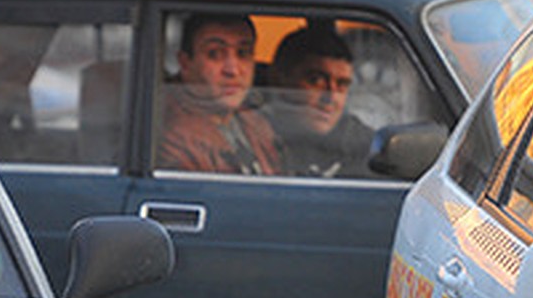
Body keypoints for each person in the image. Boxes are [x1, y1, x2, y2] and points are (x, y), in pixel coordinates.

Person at [157, 13, 280, 174]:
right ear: (185, 64)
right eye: (215, 54)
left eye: (243, 53)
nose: (233, 70)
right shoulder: (172, 141)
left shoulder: (256, 122)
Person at [263, 24, 375, 178]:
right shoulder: (250, 135)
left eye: (342, 85)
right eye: (316, 81)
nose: (330, 98)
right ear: (279, 78)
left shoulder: (362, 145)